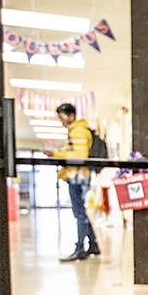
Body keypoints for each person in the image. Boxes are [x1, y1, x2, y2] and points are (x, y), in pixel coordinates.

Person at [46, 103, 100, 261]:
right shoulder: (76, 130)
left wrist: (57, 154)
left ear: (71, 115)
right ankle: (93, 245)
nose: (61, 121)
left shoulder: (79, 131)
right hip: (78, 175)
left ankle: (80, 249)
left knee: (79, 213)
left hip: (78, 176)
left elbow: (79, 155)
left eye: (63, 117)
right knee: (81, 212)